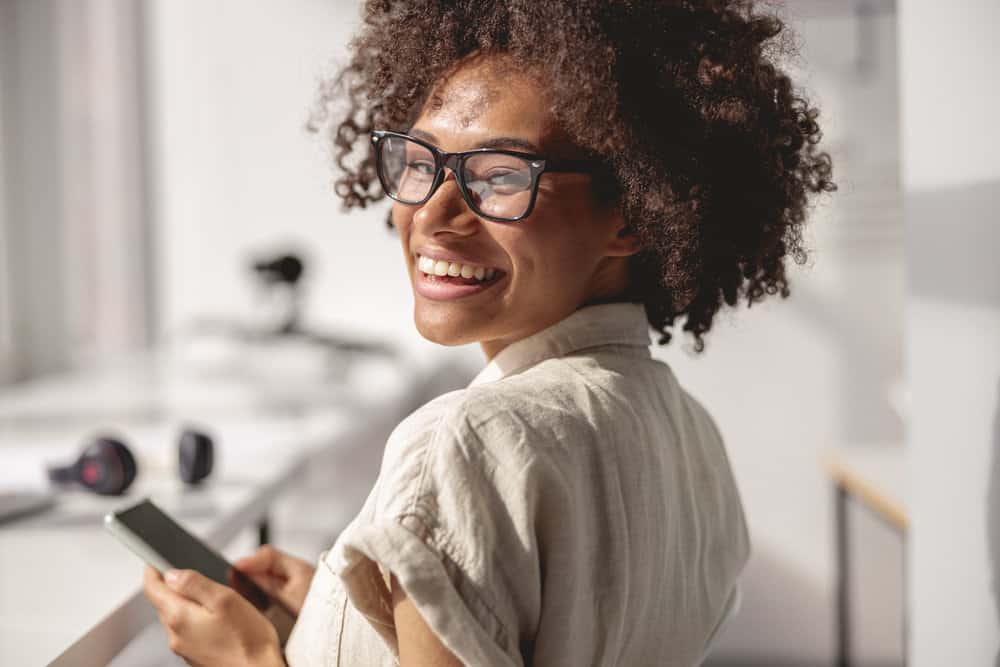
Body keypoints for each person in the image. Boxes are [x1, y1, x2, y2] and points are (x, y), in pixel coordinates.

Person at [142, 0, 835, 664]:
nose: (433, 213)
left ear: (632, 214)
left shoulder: (463, 444)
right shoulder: (692, 435)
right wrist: (336, 619)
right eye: (419, 162)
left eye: (501, 175)